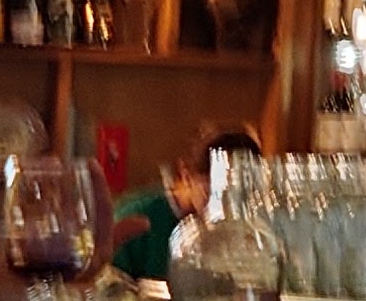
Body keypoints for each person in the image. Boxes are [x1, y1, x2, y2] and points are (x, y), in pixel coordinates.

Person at [112, 120, 262, 284]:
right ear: (187, 175)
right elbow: (108, 290)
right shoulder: (136, 218)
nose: (229, 204)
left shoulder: (244, 227)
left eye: (242, 191)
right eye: (218, 189)